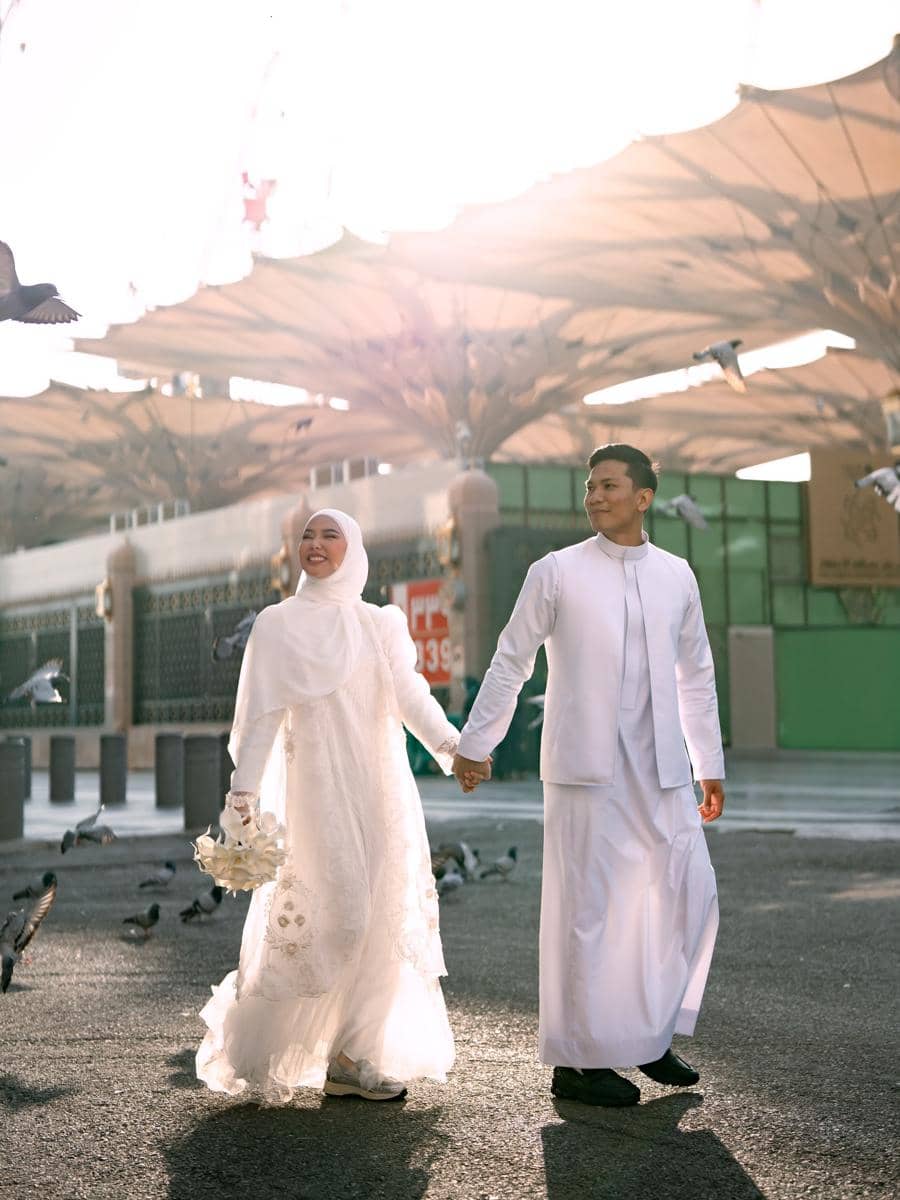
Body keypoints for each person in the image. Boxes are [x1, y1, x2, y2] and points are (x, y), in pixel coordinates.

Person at [452, 445, 724, 1108]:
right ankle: (577, 1061)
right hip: (585, 772)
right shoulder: (557, 573)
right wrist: (475, 743)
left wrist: (707, 763)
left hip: (661, 772)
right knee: (588, 913)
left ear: (644, 496)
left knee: (682, 897)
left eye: (608, 486)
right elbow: (511, 660)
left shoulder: (676, 576)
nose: (594, 496)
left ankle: (648, 1037)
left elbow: (697, 677)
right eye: (589, 487)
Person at [197, 509, 458, 1103]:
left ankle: (353, 1054)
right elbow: (261, 716)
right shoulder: (278, 625)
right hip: (314, 795)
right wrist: (243, 795)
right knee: (337, 917)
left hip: (379, 791)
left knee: (381, 919)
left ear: (354, 548)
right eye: (307, 537)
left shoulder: (379, 623)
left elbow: (411, 695)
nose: (314, 546)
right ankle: (323, 1049)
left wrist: (452, 748)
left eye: (329, 535)